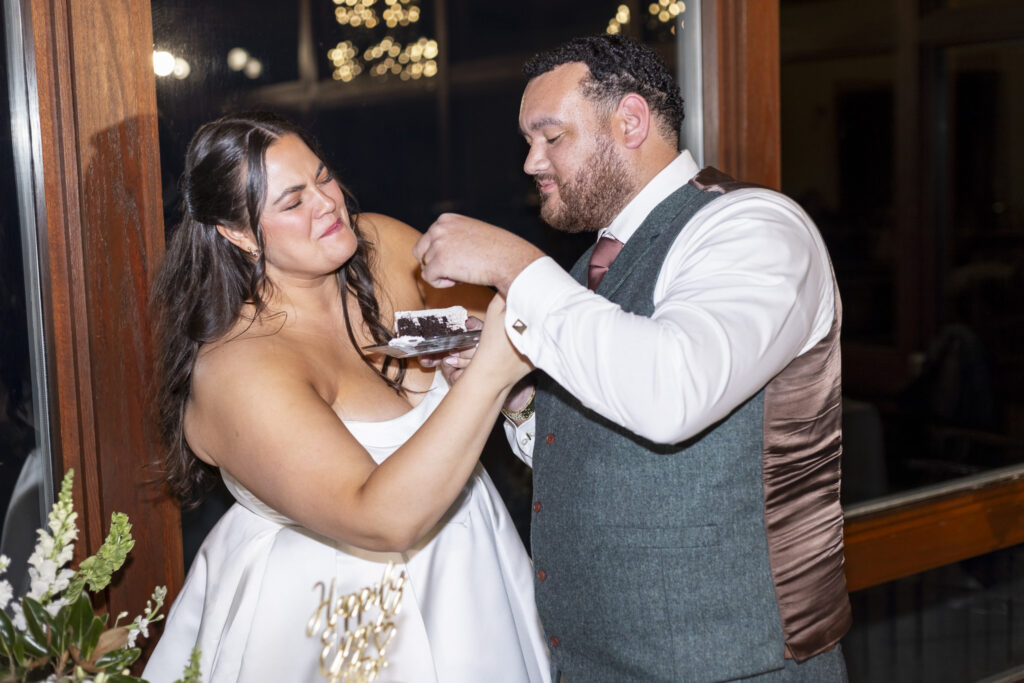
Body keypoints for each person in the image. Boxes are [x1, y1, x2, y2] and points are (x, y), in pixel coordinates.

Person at [414, 35, 851, 682]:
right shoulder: (585, 270)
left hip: (739, 665)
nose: (531, 162)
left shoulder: (755, 227)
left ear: (631, 121)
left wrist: (514, 264)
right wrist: (522, 403)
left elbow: (671, 394)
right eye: (528, 142)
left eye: (551, 137)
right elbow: (600, 442)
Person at [143, 112, 550, 683]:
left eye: (323, 176)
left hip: (472, 574)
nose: (328, 203)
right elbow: (380, 518)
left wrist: (506, 385)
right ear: (235, 234)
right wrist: (489, 377)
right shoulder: (240, 368)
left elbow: (523, 353)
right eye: (292, 201)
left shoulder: (384, 248)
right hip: (340, 622)